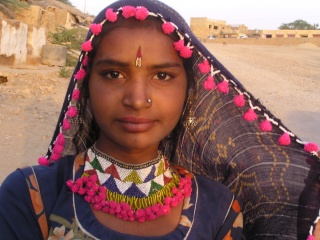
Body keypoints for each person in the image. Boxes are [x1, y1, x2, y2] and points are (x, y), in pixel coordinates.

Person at [0, 0, 318, 239]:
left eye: (162, 75)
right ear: (86, 85)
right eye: (113, 73)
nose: (138, 99)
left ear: (188, 92)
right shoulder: (30, 194)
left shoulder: (219, 208)